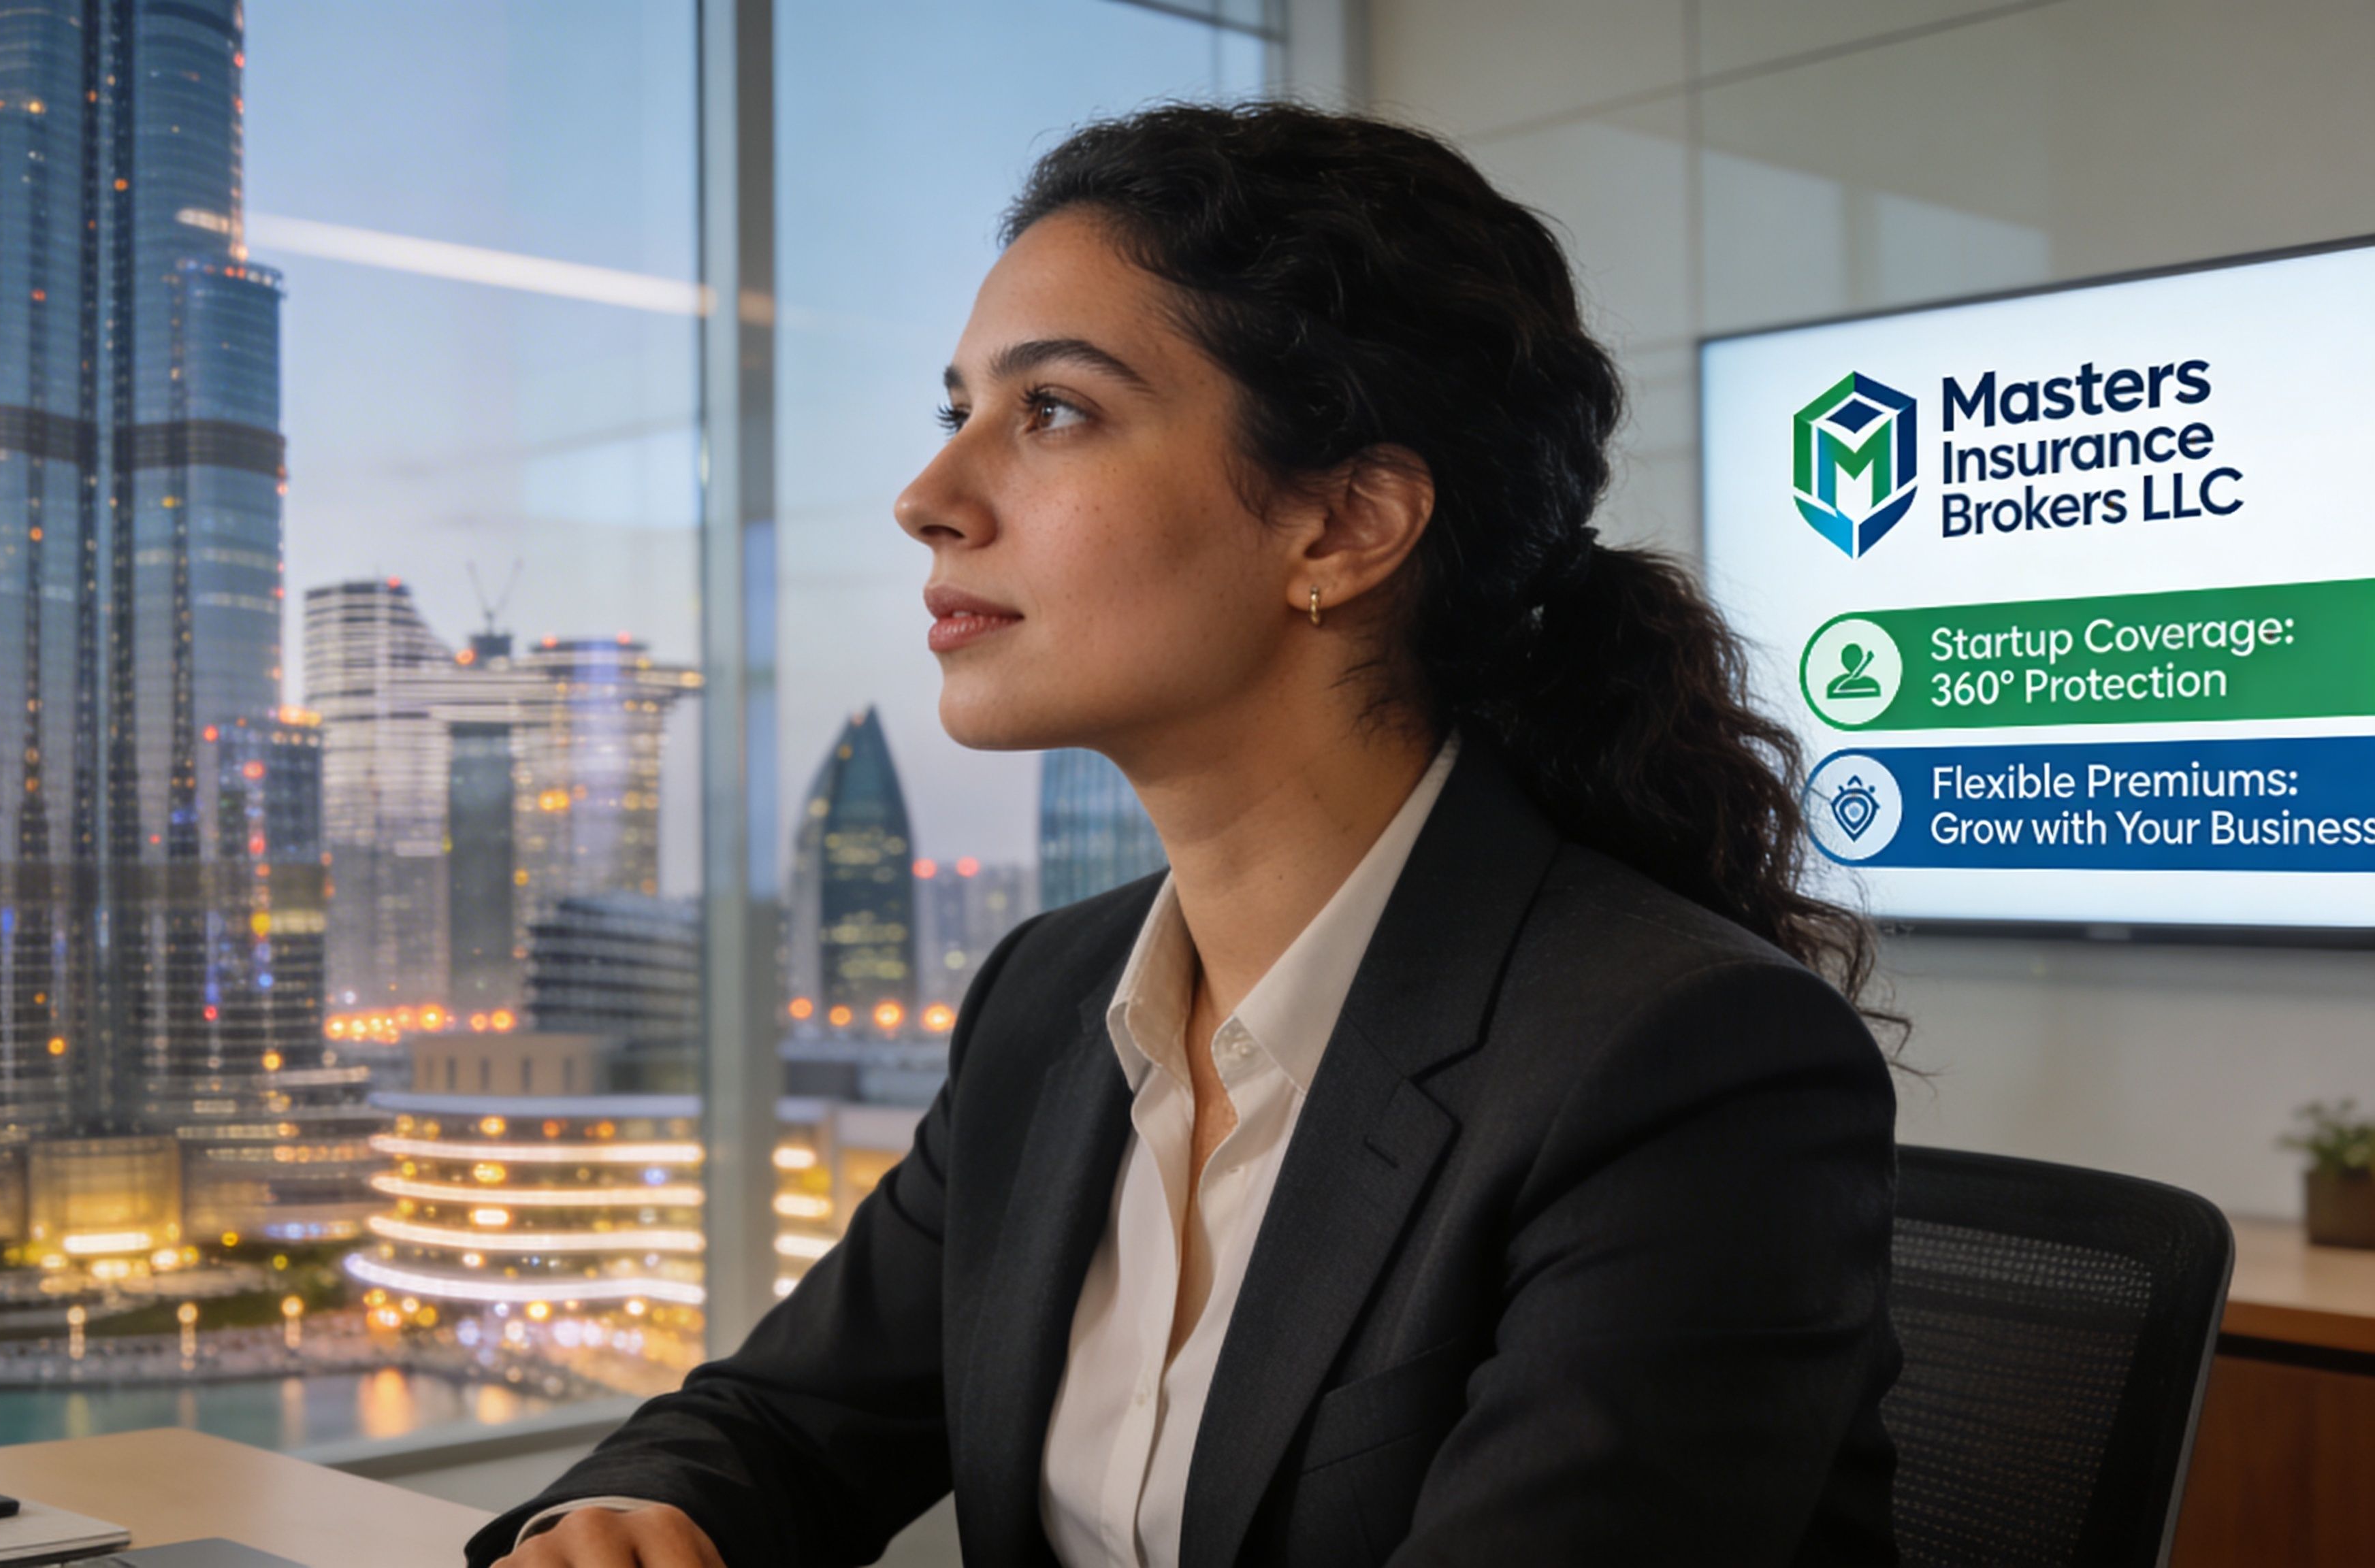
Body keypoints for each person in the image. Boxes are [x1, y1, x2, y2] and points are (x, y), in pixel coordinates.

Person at [474, 102, 1900, 1568]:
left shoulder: (1684, 1066)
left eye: (1053, 412)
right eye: (955, 412)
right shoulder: (1049, 1002)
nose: (928, 499)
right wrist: (637, 1518)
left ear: (1342, 528)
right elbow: (772, 1422)